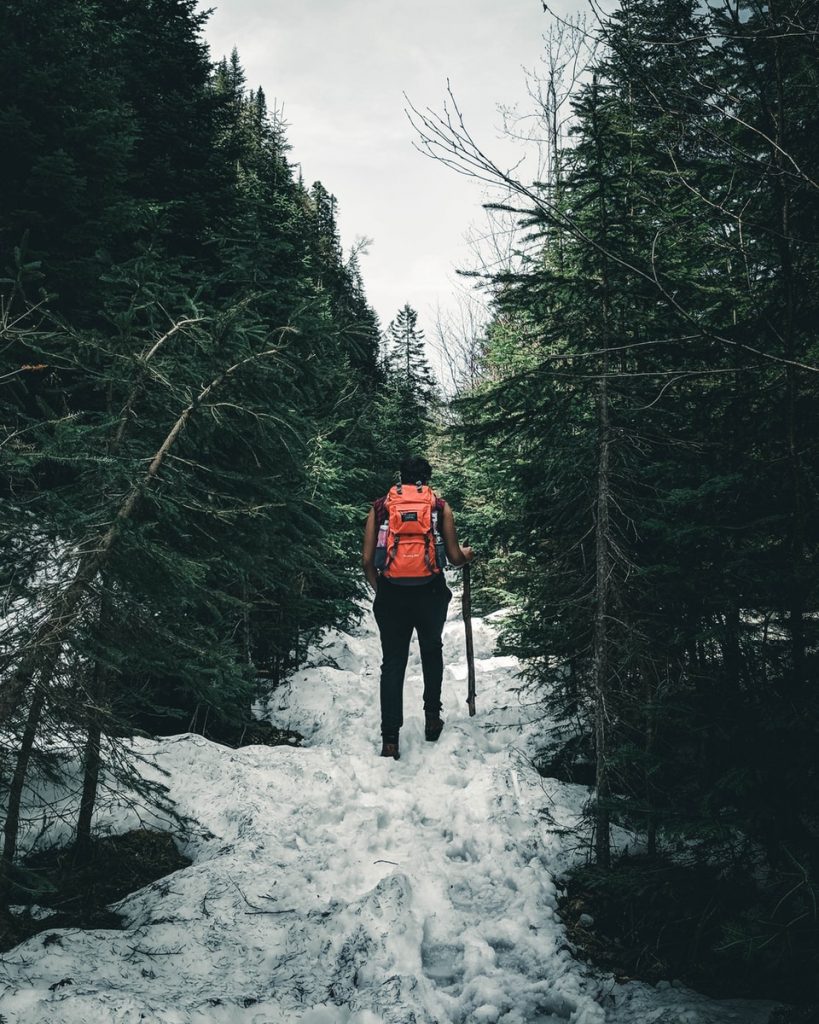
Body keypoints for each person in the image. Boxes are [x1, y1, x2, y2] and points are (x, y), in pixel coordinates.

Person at [362, 456, 474, 760]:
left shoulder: (381, 507)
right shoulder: (438, 506)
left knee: (393, 662)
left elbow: (367, 559)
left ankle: (390, 740)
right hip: (430, 592)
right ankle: (432, 719)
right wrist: (468, 553)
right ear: (426, 478)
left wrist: (381, 588)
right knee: (431, 651)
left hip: (391, 594)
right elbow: (452, 556)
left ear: (401, 477)